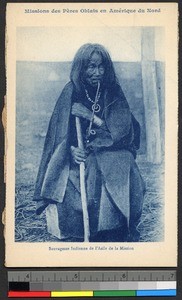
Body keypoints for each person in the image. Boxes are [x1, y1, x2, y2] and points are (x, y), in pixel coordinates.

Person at [33, 43, 145, 242]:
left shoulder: (113, 91)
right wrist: (72, 150)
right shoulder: (71, 92)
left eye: (101, 67)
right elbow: (60, 136)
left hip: (111, 149)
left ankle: (111, 228)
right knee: (64, 169)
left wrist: (90, 116)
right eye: (91, 67)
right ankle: (79, 230)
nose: (97, 72)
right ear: (81, 68)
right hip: (81, 153)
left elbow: (123, 131)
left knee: (116, 163)